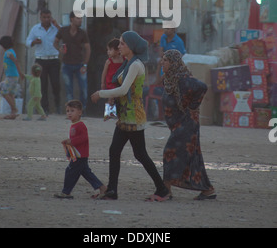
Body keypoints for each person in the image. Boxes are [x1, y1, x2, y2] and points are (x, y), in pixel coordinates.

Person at [91, 31, 171, 202]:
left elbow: (123, 90)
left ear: (131, 46)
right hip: (126, 115)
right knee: (117, 151)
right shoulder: (129, 63)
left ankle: (162, 189)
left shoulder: (135, 65)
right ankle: (113, 190)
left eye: (122, 43)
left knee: (139, 154)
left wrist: (101, 93)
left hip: (133, 116)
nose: (119, 46)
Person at [161, 49, 216, 200]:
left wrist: (193, 106)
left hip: (186, 124)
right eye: (163, 59)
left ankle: (166, 189)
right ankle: (207, 190)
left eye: (165, 60)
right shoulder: (168, 79)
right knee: (193, 157)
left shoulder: (183, 80)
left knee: (169, 151)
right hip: (177, 124)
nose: (162, 62)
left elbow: (202, 87)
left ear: (174, 63)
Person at [54, 100, 107, 200]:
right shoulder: (74, 125)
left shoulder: (80, 125)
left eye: (72, 111)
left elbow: (84, 138)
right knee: (86, 173)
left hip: (80, 155)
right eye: (68, 111)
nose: (69, 113)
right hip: (78, 154)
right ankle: (102, 188)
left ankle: (66, 192)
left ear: (80, 112)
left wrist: (71, 141)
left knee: (70, 171)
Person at [54, 11, 91, 113]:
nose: (80, 20)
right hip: (67, 64)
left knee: (83, 90)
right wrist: (59, 49)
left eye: (81, 18)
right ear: (71, 19)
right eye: (78, 18)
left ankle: (81, 110)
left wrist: (85, 64)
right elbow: (55, 42)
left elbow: (88, 49)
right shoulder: (63, 31)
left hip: (79, 64)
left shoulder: (82, 33)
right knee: (68, 90)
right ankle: (70, 112)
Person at [26, 9, 61, 115]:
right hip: (41, 60)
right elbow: (27, 42)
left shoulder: (56, 27)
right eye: (44, 17)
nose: (47, 19)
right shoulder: (35, 28)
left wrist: (57, 25)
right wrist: (34, 42)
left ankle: (58, 107)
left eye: (48, 17)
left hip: (54, 59)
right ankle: (44, 108)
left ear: (51, 17)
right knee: (42, 85)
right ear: (40, 17)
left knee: (56, 84)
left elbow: (65, 35)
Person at [0, 36, 24, 119]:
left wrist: (21, 73)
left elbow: (16, 61)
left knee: (4, 92)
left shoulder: (8, 53)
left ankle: (14, 109)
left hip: (11, 76)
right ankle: (13, 113)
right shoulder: (11, 51)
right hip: (12, 76)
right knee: (11, 94)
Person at [100, 38, 123, 121]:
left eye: (110, 50)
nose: (108, 52)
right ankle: (108, 113)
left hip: (119, 83)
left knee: (118, 99)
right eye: (107, 50)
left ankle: (117, 113)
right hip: (110, 83)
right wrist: (102, 83)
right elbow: (104, 73)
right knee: (110, 98)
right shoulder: (109, 62)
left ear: (118, 51)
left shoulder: (123, 60)